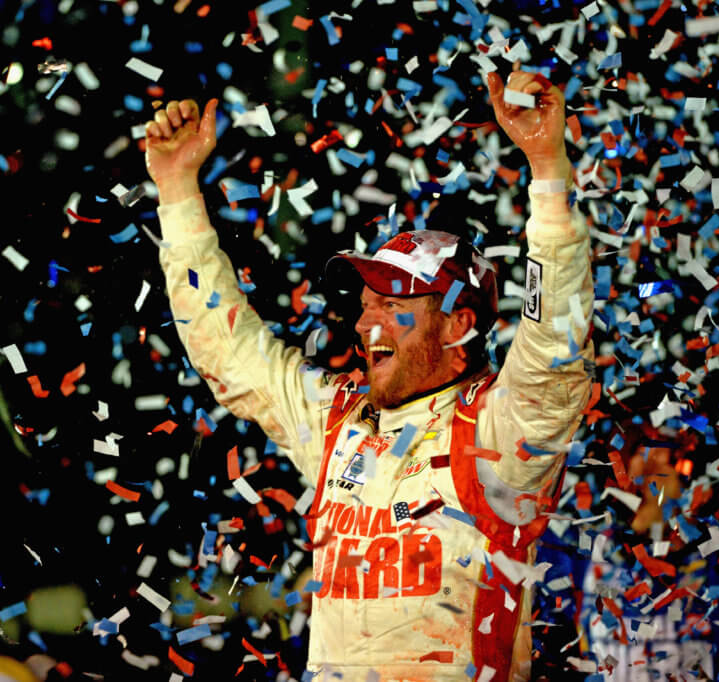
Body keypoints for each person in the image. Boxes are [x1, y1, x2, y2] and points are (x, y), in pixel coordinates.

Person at [143, 67, 594, 682]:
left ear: (457, 325)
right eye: (364, 304)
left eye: (392, 306)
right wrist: (176, 191)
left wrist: (547, 169)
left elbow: (554, 344)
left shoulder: (499, 430)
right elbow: (226, 350)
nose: (363, 323)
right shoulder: (337, 421)